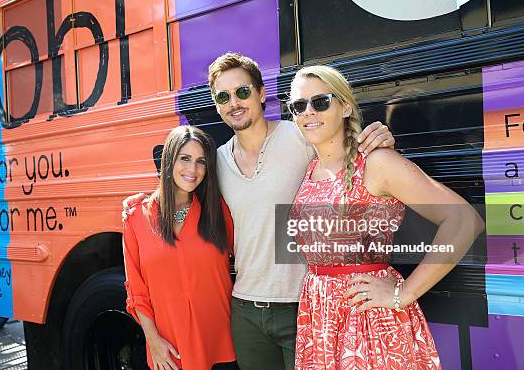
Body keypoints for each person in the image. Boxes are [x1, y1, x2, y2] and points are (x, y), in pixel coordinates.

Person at [286, 65, 484, 369]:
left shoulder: (378, 162)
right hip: (321, 320)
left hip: (368, 320)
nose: (308, 112)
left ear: (345, 107)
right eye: (299, 106)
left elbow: (464, 222)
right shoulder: (310, 167)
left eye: (320, 102)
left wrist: (403, 293)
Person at [209, 53, 396, 370]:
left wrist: (380, 142)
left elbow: (353, 159)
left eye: (242, 92)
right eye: (222, 97)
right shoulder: (216, 162)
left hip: (305, 303)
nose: (234, 103)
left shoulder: (301, 133)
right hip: (245, 308)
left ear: (261, 92)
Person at [122, 125, 237, 370]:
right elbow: (137, 292)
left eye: (201, 162)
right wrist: (153, 341)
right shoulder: (136, 218)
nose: (192, 170)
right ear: (168, 160)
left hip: (221, 346)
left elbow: (248, 256)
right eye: (184, 159)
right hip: (170, 352)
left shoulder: (217, 211)